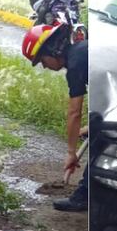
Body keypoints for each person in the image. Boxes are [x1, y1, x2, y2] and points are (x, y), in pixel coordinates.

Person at [22, 23, 87, 212]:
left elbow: (75, 112)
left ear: (53, 50)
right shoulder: (80, 53)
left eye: (42, 60)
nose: (44, 66)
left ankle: (84, 197)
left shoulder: (76, 63)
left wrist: (70, 152)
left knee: (101, 143)